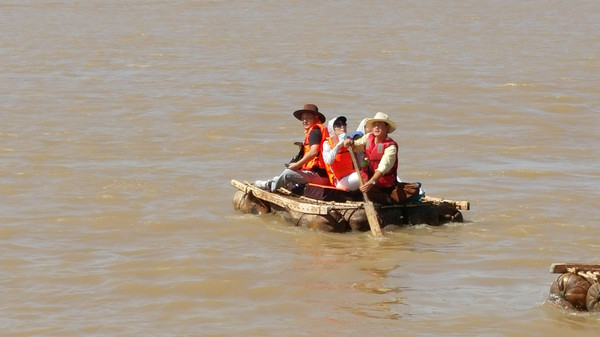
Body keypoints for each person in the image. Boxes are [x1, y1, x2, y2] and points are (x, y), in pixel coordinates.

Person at [343, 112, 421, 204]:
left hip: (384, 184)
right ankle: (384, 198)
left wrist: (371, 183)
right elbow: (356, 146)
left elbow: (383, 167)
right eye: (375, 125)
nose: (376, 127)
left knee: (412, 190)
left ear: (386, 128)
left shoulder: (391, 147)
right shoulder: (368, 137)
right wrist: (350, 142)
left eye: (379, 125)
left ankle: (387, 198)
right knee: (365, 190)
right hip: (368, 179)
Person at [254, 104, 331, 192]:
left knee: (287, 173)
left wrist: (297, 165)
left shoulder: (315, 131)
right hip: (315, 174)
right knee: (287, 173)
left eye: (307, 118)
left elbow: (313, 152)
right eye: (303, 119)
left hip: (320, 175)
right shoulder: (316, 130)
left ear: (316, 117)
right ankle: (273, 182)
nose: (304, 121)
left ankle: (270, 186)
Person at [322, 116, 360, 191]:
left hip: (351, 175)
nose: (342, 126)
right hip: (339, 180)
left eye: (344, 124)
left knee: (369, 174)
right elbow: (328, 161)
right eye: (338, 125)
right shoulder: (327, 143)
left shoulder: (349, 140)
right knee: (362, 176)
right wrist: (338, 145)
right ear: (332, 129)